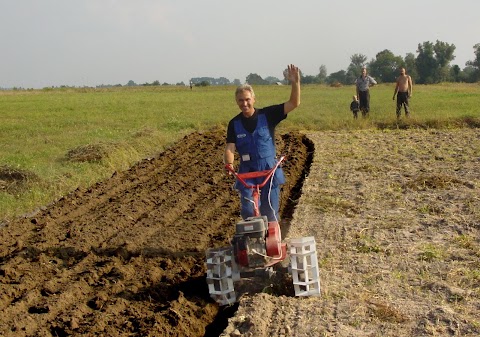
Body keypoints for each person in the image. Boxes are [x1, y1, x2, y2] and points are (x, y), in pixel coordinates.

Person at [224, 64, 301, 222]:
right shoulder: (234, 123)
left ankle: (273, 242)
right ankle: (252, 242)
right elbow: (230, 147)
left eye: (247, 100)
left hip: (268, 171)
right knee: (248, 210)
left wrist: (295, 82)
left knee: (270, 211)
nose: (244, 104)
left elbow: (293, 103)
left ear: (254, 99)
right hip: (247, 173)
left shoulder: (268, 115)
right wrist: (229, 163)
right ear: (236, 102)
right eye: (241, 101)